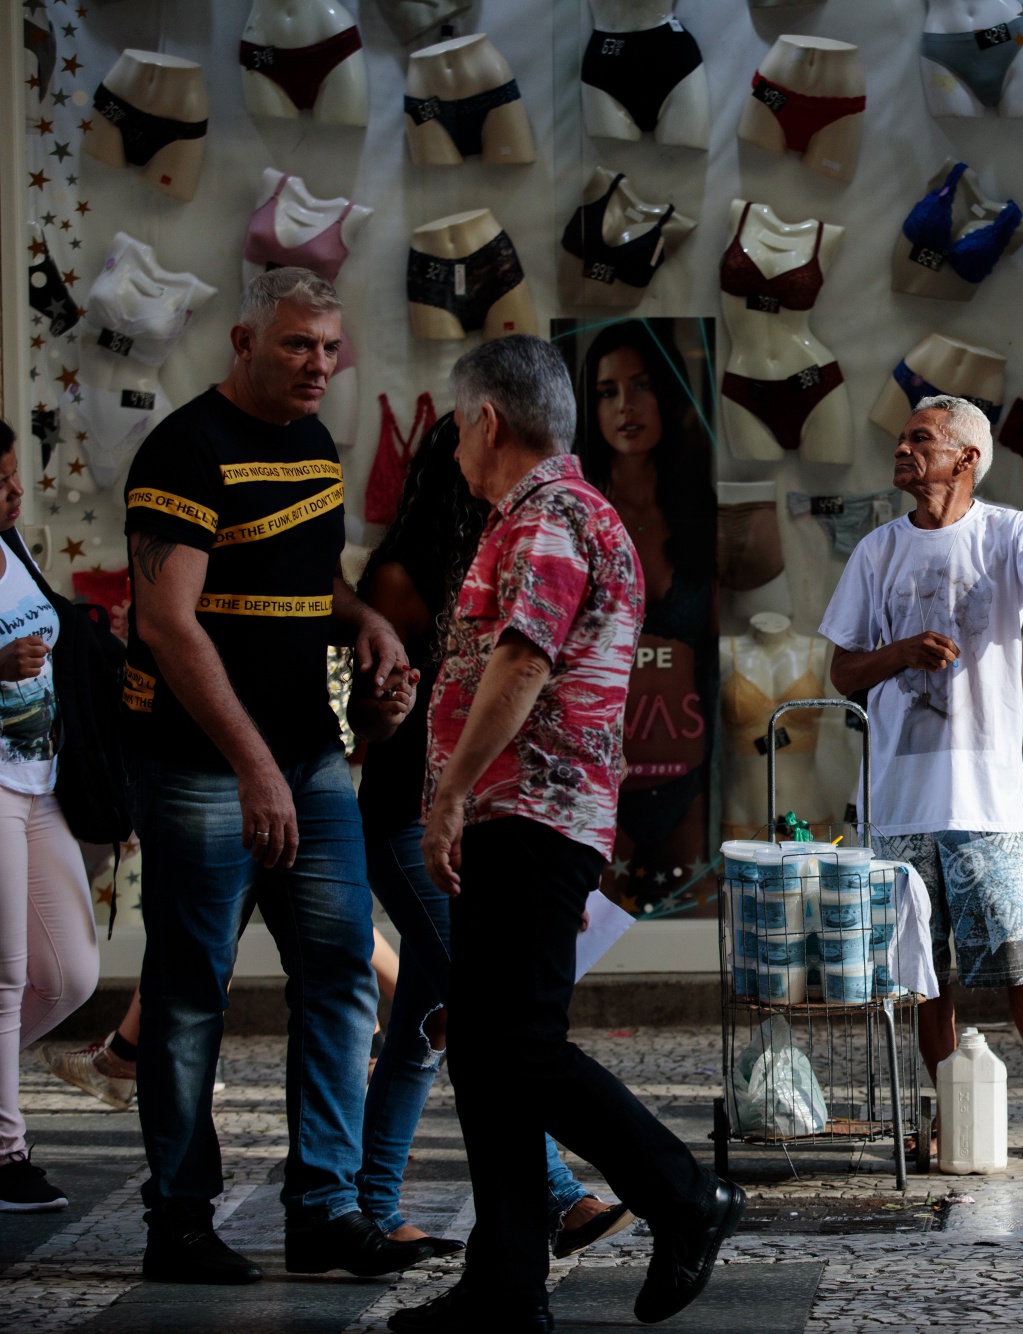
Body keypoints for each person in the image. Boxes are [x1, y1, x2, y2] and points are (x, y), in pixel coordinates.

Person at [389, 336, 734, 1334]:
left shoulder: (549, 519)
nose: (455, 443)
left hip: (527, 817)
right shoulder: (562, 515)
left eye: (457, 424)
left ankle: (682, 1195)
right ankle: (505, 1286)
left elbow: (522, 664)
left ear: (487, 419)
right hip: (523, 817)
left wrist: (449, 792)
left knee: (514, 1043)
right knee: (489, 1053)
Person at [120, 267, 427, 1283]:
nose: (318, 366)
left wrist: (369, 621)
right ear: (243, 340)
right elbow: (166, 620)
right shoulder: (185, 448)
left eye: (331, 348)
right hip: (207, 769)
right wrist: (254, 765)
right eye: (298, 345)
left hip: (310, 760)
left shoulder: (314, 445)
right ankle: (178, 1219)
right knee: (187, 993)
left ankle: (324, 1208)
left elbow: (313, 584)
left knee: (341, 978)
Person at [350, 409, 634, 1260]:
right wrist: (397, 719)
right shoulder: (407, 575)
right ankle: (556, 1197)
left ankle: (373, 1198)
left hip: (482, 814)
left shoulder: (526, 543)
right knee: (480, 1015)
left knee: (431, 1018)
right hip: (413, 813)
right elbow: (376, 708)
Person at [819, 396, 1023, 1164]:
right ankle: (954, 1113)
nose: (903, 449)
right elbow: (844, 669)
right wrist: (901, 655)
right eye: (902, 438)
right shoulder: (877, 551)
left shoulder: (1006, 535)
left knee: (1020, 953)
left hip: (981, 793)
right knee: (923, 968)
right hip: (896, 795)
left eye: (921, 440)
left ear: (966, 459)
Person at [575, 321, 717, 914]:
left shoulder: (698, 509)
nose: (626, 407)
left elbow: (714, 646)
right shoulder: (578, 507)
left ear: (669, 394)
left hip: (690, 767)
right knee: (604, 937)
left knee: (692, 930)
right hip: (596, 768)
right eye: (608, 392)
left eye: (641, 387)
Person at [0, 420, 99, 1211]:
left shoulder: (13, 547)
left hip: (42, 780)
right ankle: (4, 1151)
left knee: (69, 974)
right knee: (5, 973)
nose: (13, 492)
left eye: (13, 474)